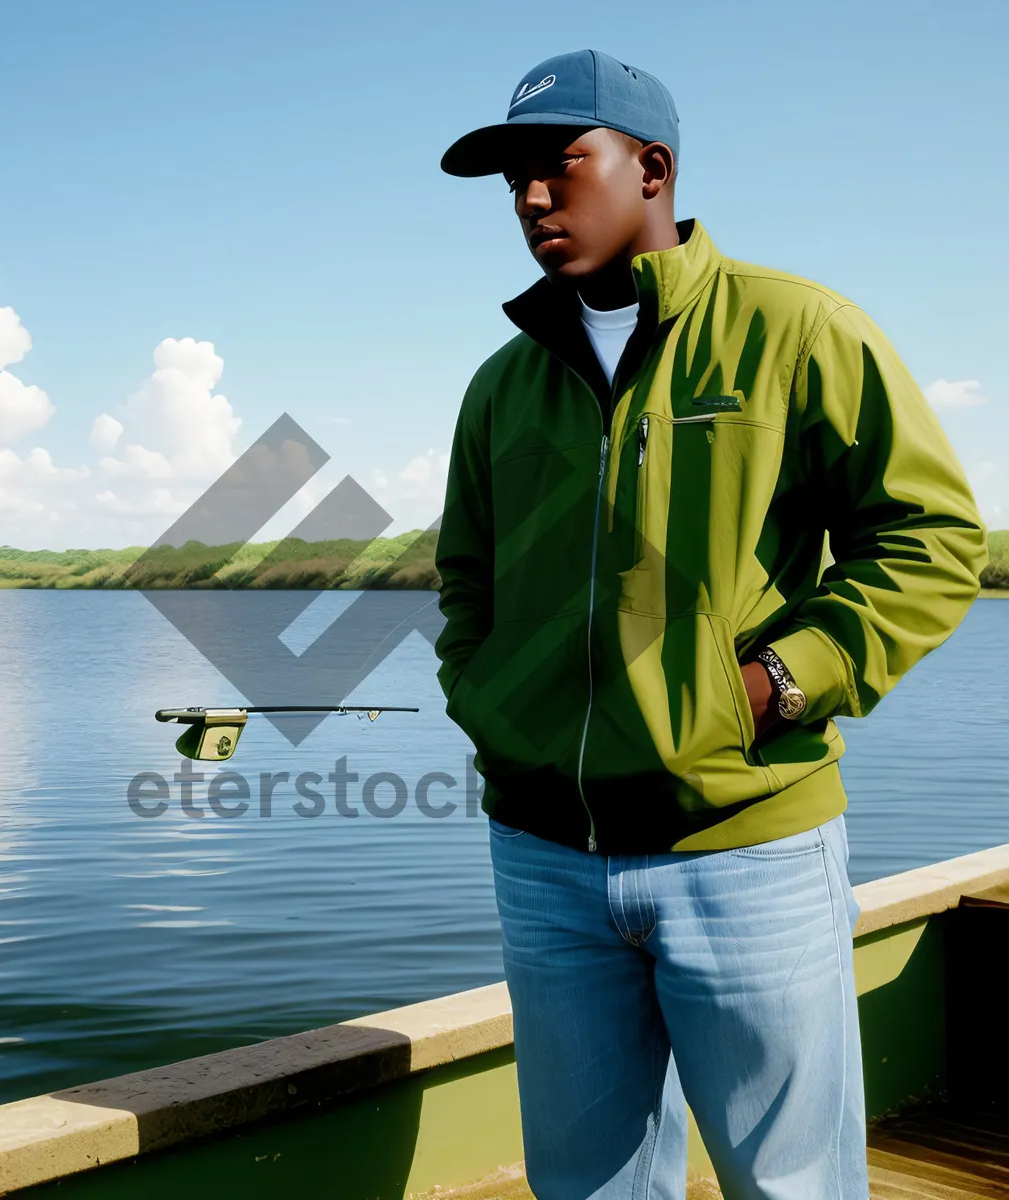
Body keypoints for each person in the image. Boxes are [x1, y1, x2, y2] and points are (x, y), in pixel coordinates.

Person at [434, 48, 987, 1200]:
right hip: (546, 860)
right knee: (585, 1187)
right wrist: (490, 701)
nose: (533, 197)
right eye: (514, 180)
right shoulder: (500, 386)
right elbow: (466, 584)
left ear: (653, 169)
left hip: (751, 852)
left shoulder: (798, 331)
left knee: (790, 1186)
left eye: (560, 163)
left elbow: (931, 543)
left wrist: (776, 686)